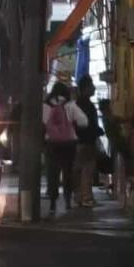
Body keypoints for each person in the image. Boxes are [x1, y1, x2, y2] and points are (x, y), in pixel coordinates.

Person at [42, 82, 88, 214]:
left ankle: (52, 204)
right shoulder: (70, 105)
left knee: (52, 173)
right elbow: (84, 121)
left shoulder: (45, 106)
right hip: (69, 143)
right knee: (68, 172)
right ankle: (67, 201)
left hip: (51, 143)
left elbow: (40, 123)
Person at [74, 75, 104, 207]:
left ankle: (79, 196)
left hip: (78, 142)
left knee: (80, 170)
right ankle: (87, 197)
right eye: (92, 86)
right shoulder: (87, 105)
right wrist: (98, 131)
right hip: (87, 141)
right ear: (85, 88)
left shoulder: (76, 104)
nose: (94, 88)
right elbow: (89, 125)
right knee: (88, 169)